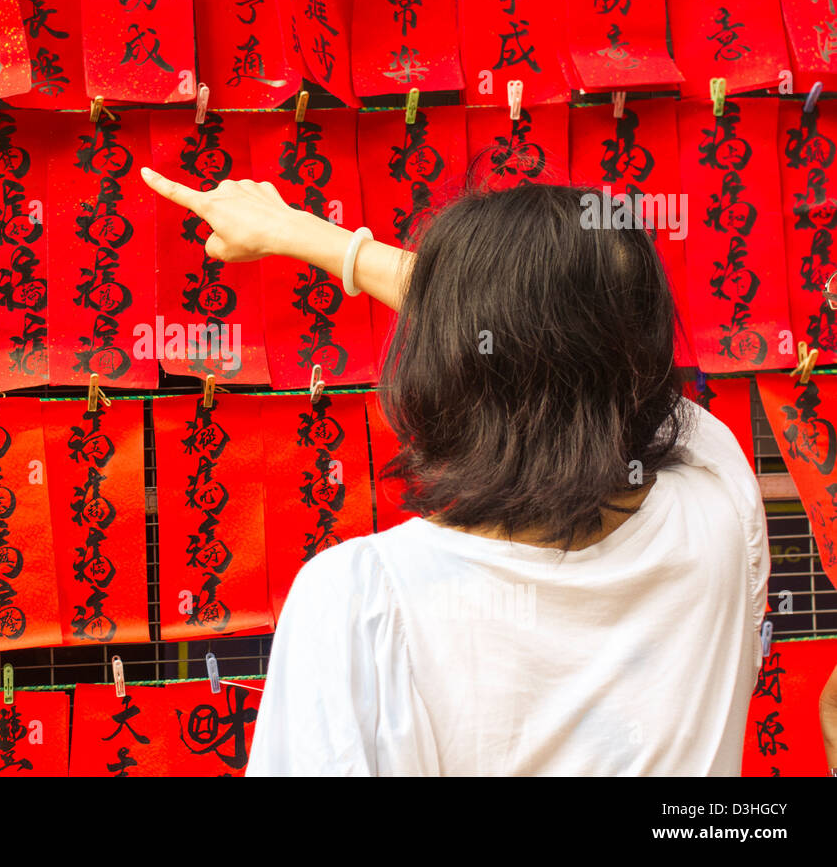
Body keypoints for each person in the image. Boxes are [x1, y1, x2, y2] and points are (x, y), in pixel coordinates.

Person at [139, 168, 770, 776]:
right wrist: (307, 235)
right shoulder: (715, 502)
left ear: (443, 366)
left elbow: (532, 336)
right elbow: (583, 347)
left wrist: (299, 234)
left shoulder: (363, 602)